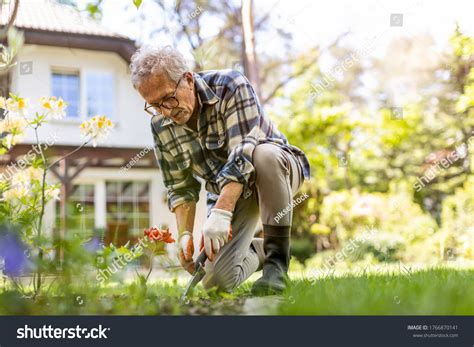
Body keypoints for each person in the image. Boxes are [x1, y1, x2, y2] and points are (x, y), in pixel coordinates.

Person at [130, 46, 310, 295]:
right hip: (230, 194)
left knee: (263, 155)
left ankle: (276, 267)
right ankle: (264, 247)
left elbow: (242, 152)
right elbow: (180, 187)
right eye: (155, 106)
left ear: (188, 79)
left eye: (168, 98)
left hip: (276, 171)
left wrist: (222, 212)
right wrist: (185, 236)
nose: (166, 112)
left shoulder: (230, 85)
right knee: (217, 283)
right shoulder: (161, 126)